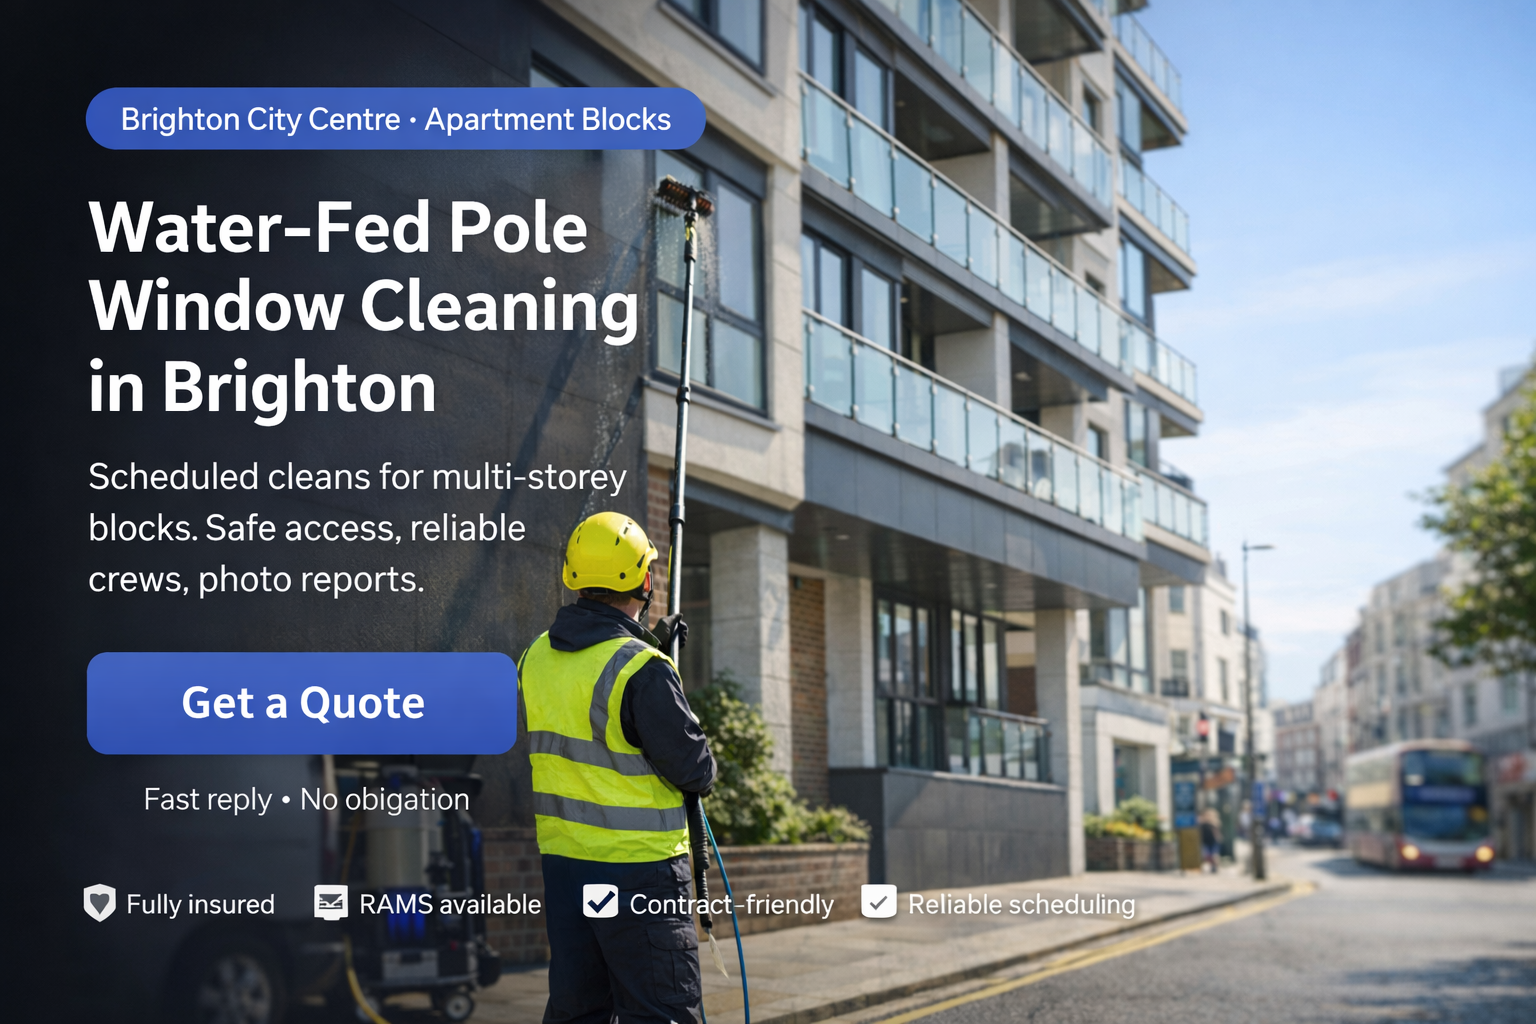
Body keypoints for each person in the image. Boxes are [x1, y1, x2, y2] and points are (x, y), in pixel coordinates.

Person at [519, 511, 717, 1024]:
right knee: (661, 1013)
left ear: (573, 577)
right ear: (645, 581)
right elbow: (696, 770)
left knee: (577, 1011)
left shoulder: (534, 658)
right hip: (641, 875)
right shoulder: (643, 670)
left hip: (565, 871)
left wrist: (648, 647)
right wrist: (660, 661)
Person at [1199, 808, 1222, 874]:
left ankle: (1214, 867)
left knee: (1214, 855)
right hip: (1205, 841)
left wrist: (1218, 838)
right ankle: (1211, 866)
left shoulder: (1214, 823)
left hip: (1213, 841)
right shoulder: (1202, 823)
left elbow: (1216, 833)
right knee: (1206, 855)